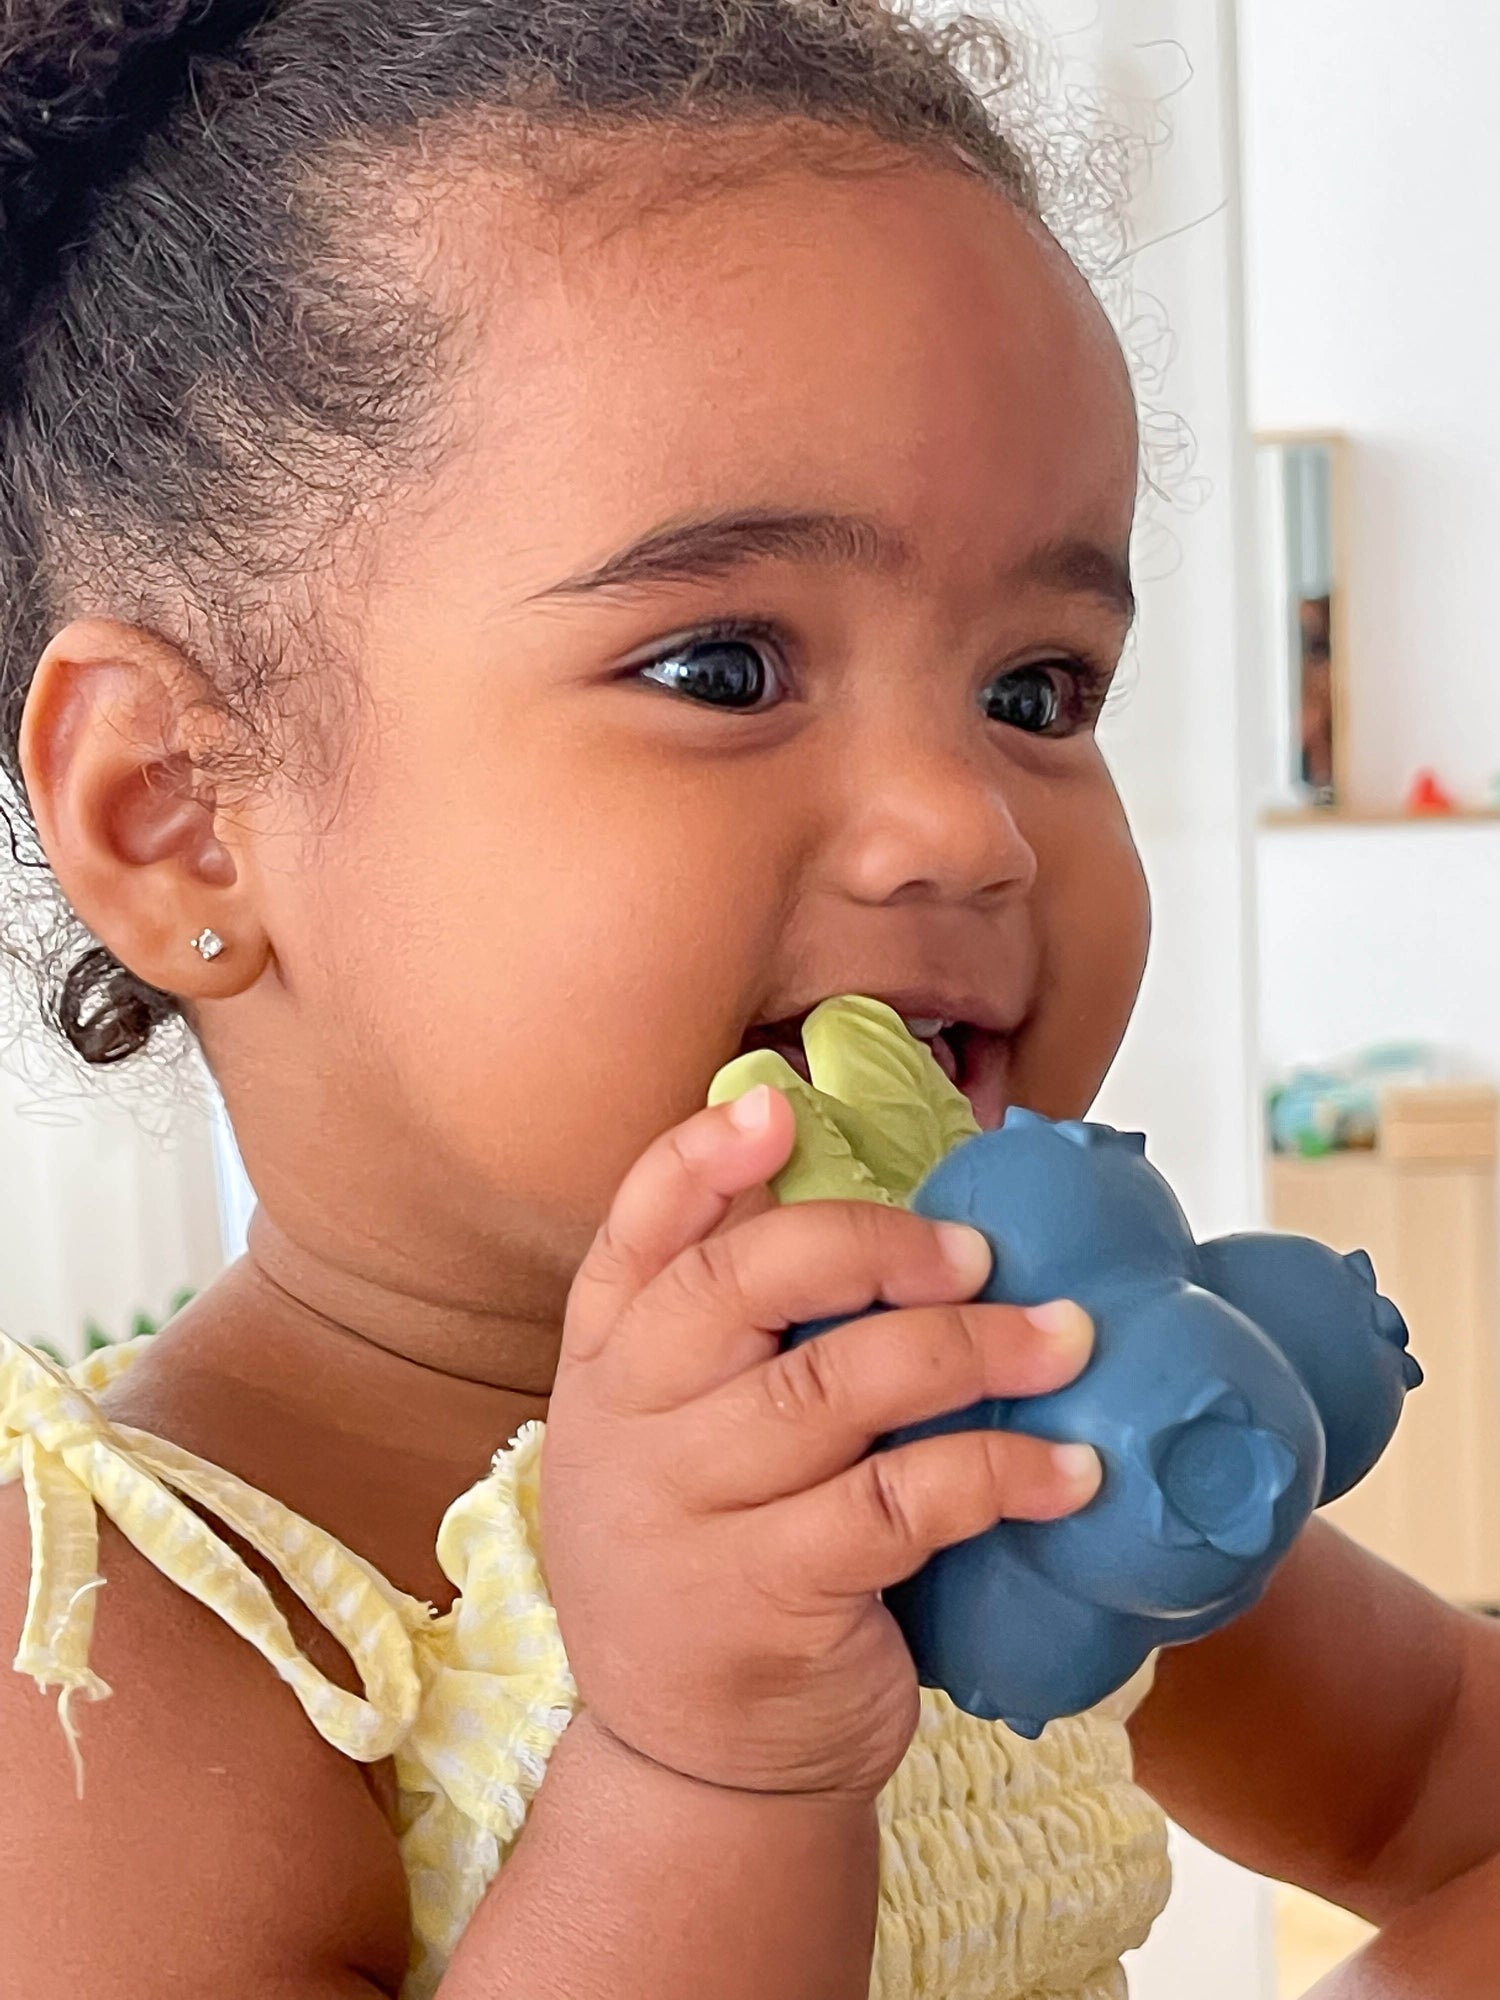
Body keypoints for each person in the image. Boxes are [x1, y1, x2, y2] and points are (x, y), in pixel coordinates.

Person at [0, 4, 1496, 1997]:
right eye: (721, 664)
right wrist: (709, 1774)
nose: (966, 824)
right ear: (182, 812)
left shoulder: (1013, 1423)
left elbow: (1450, 1810)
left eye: (1037, 689)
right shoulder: (107, 1631)